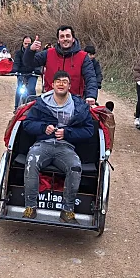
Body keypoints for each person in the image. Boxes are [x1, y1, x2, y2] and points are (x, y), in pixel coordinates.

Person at [21, 70, 94, 224]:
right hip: (43, 144)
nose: (61, 84)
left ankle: (67, 210)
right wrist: (43, 128)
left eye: (65, 81)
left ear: (69, 85)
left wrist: (67, 133)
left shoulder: (79, 106)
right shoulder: (41, 103)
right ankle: (30, 207)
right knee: (31, 161)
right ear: (52, 85)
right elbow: (27, 124)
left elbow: (89, 130)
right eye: (58, 81)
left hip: (66, 147)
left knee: (75, 166)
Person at [23, 26, 98, 105]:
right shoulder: (48, 53)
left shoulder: (83, 57)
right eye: (62, 36)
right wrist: (31, 50)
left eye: (68, 36)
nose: (65, 39)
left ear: (73, 39)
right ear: (58, 40)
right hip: (49, 101)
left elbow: (91, 77)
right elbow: (28, 63)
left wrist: (91, 95)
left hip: (75, 102)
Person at [11, 36, 43, 110]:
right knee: (19, 89)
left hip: (32, 74)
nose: (27, 45)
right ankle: (16, 108)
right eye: (25, 43)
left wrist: (37, 70)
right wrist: (14, 69)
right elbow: (16, 62)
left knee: (31, 89)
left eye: (29, 44)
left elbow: (38, 64)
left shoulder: (36, 53)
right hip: (21, 74)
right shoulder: (18, 53)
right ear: (23, 43)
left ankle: (33, 107)